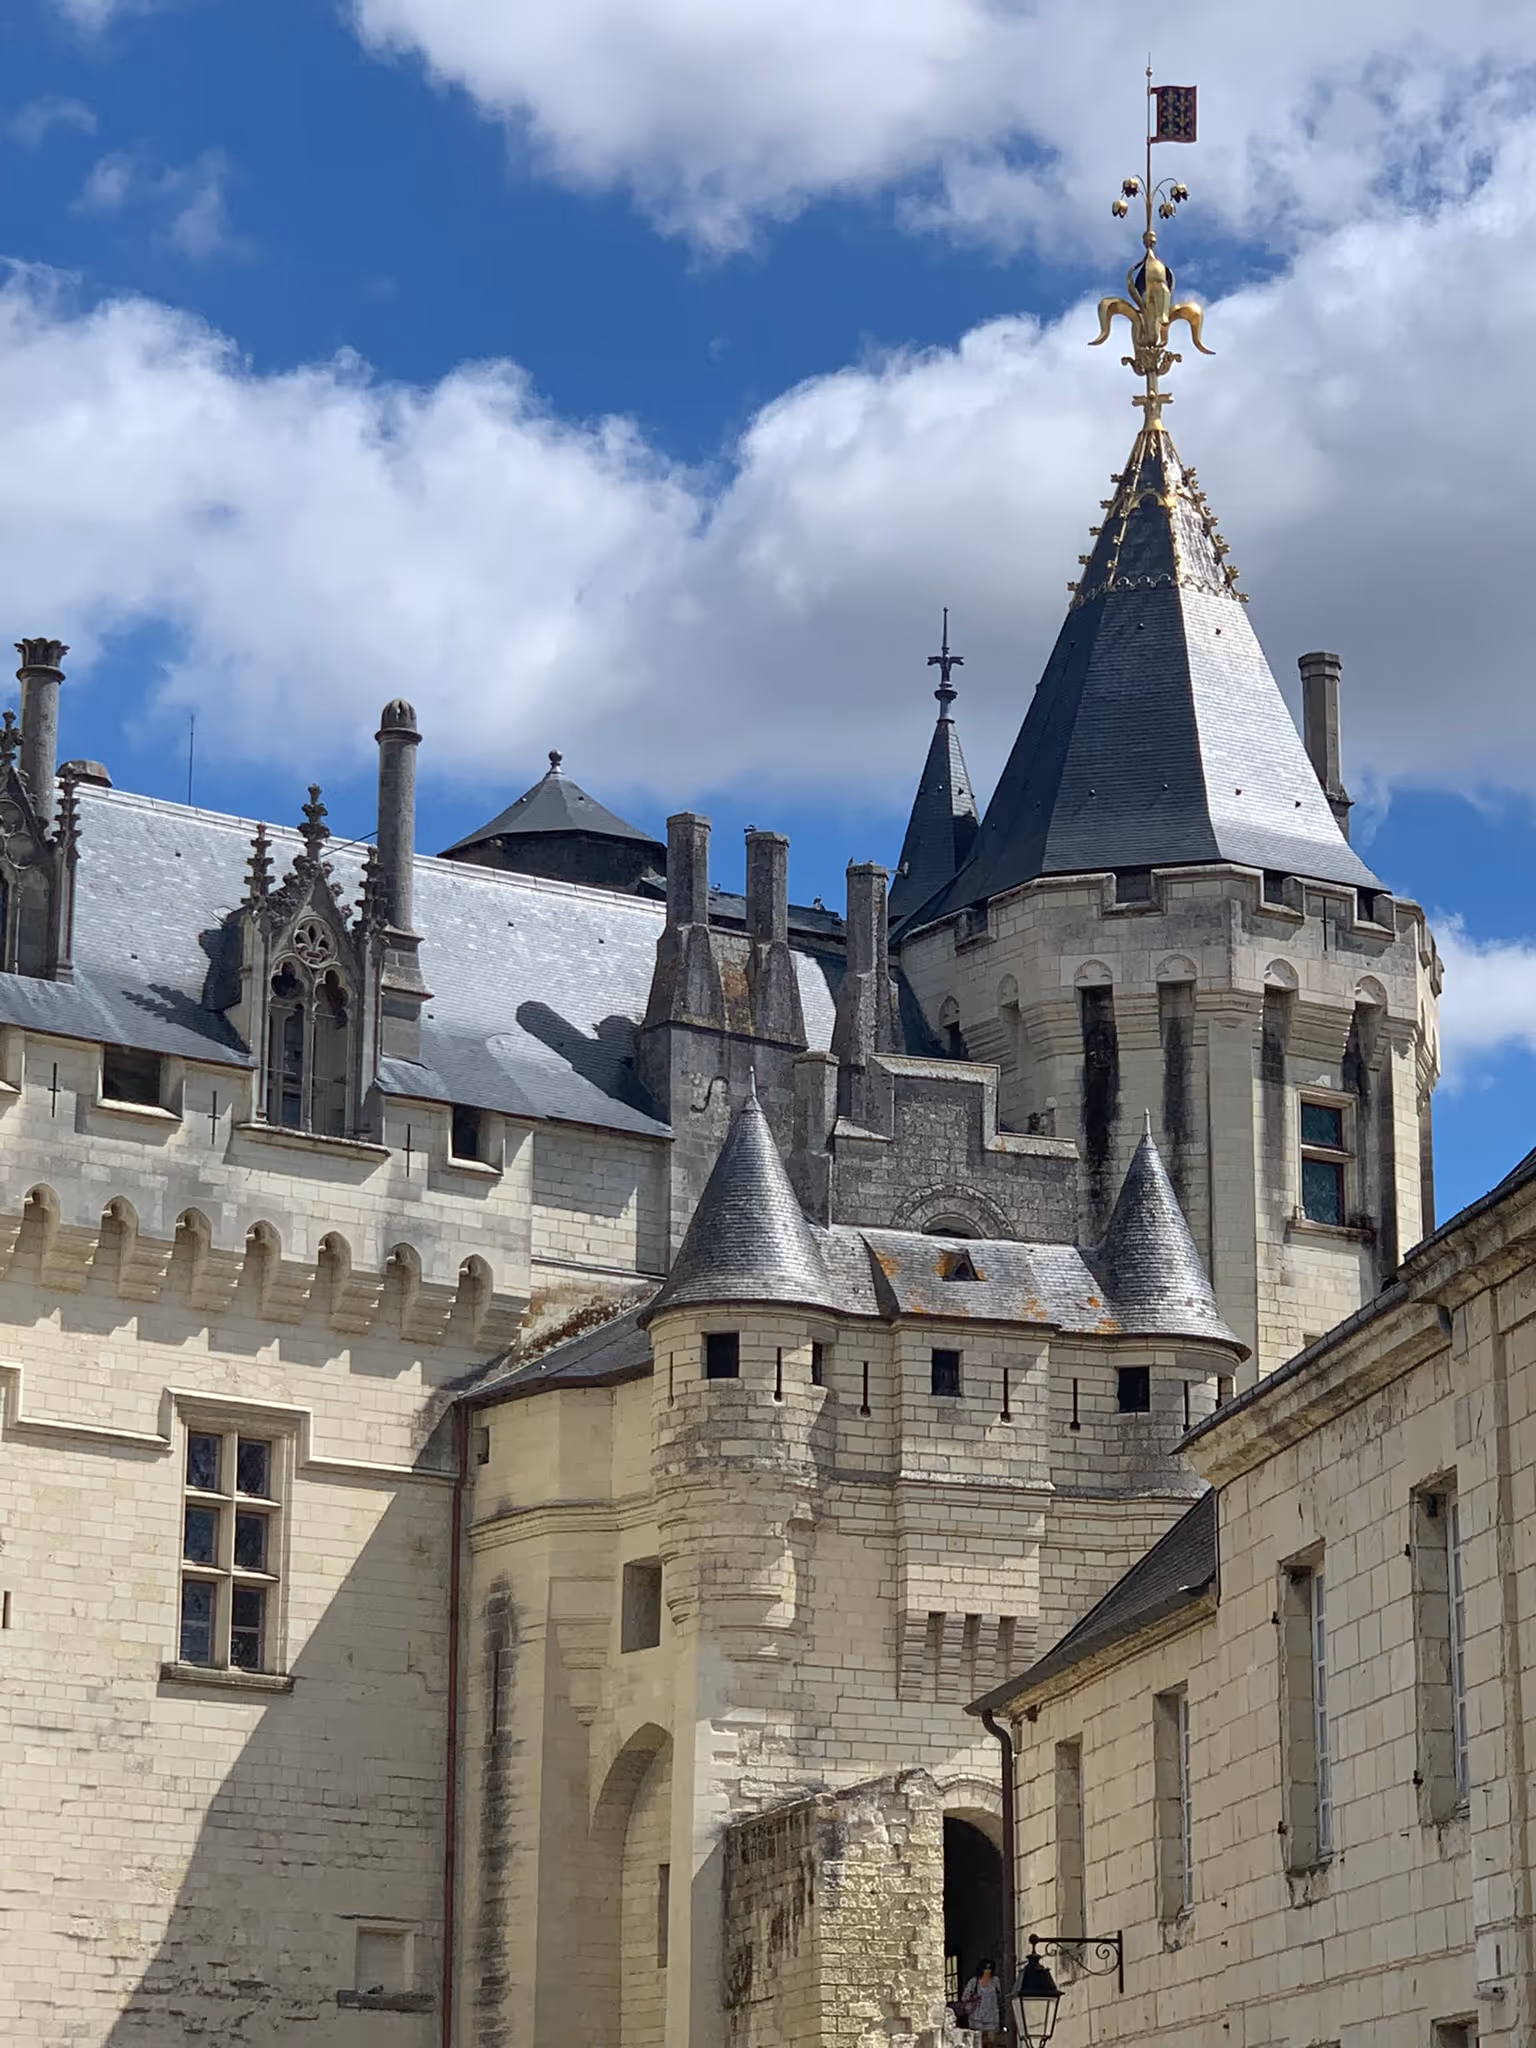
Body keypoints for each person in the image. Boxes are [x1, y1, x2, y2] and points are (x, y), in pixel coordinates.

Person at [959, 1957, 1003, 2045]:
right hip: (977, 2017)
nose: (987, 1971)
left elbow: (1001, 1995)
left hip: (992, 2016)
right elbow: (964, 1998)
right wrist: (973, 1998)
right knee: (978, 2041)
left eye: (990, 1968)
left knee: (991, 2041)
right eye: (985, 1968)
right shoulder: (974, 1981)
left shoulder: (995, 1981)